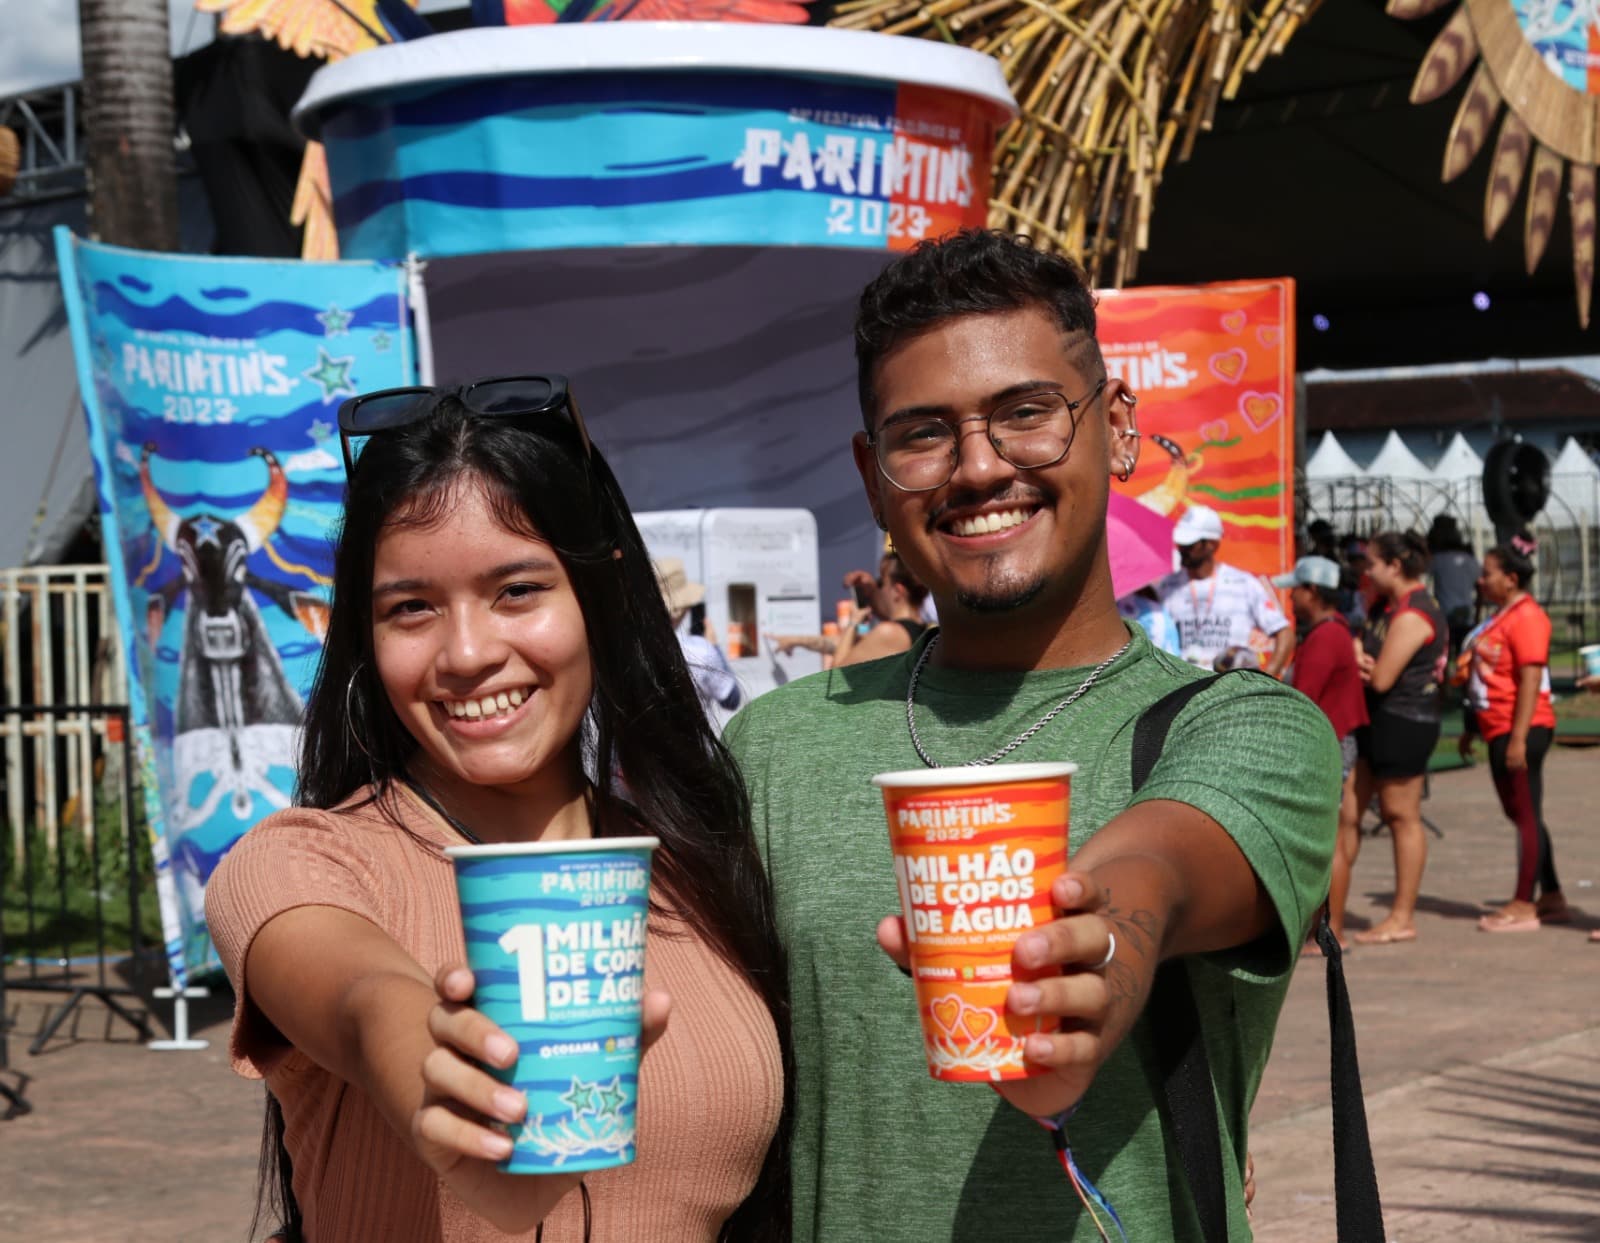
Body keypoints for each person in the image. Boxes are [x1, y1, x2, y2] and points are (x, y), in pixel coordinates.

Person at [723, 230, 1339, 1240]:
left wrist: (1092, 950)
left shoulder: (1248, 728)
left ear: (1117, 428)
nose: (977, 467)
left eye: (1025, 414)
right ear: (873, 476)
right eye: (923, 434)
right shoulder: (773, 748)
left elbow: (1160, 868)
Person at [205, 380, 791, 1242]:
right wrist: (448, 1088)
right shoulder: (302, 863)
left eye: (517, 590)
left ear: (599, 592)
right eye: (411, 607)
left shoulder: (698, 865)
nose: (468, 653)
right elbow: (365, 1000)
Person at [1458, 535, 1567, 932]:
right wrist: (1474, 728)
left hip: (1522, 727)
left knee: (1525, 815)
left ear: (1511, 578)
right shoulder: (1502, 615)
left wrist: (1519, 738)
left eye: (1488, 574)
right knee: (1523, 813)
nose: (1481, 581)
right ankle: (1551, 894)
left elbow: (1530, 678)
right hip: (1497, 726)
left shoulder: (1527, 618)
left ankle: (1524, 903)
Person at [1347, 529, 1448, 946]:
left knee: (1400, 815)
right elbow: (1361, 649)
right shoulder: (1384, 606)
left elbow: (1382, 677)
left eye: (1372, 563)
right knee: (1348, 812)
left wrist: (1364, 663)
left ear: (1395, 565)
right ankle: (1328, 910)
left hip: (1405, 722)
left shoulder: (1413, 614)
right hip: (1378, 720)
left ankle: (1402, 916)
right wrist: (1358, 656)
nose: (1366, 571)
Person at [1274, 555, 1369, 949]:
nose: (1291, 597)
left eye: (1296, 590)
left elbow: (1303, 699)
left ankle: (1332, 930)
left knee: (1328, 843)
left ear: (1312, 591)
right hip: (1333, 741)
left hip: (1326, 744)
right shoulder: (1331, 631)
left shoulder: (1326, 637)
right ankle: (1326, 927)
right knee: (1333, 838)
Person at [1157, 504, 1294, 675]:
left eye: (1190, 544)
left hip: (1229, 685)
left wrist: (1269, 676)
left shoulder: (1243, 584)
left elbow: (1285, 633)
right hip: (1182, 683)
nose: (1182, 549)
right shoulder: (1167, 586)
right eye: (1181, 543)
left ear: (1212, 544)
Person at [654, 555, 742, 713]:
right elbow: (732, 699)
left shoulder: (624, 648)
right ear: (681, 610)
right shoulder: (701, 651)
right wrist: (715, 647)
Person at [833, 553, 931, 667]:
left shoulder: (890, 633)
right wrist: (871, 593)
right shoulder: (920, 631)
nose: (879, 590)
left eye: (881, 583)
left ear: (897, 591)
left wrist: (853, 622)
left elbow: (834, 674)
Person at [1426, 514, 1480, 661]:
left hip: (1444, 617)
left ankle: (1448, 676)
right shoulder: (1469, 559)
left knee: (1443, 658)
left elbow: (1421, 573)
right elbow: (1480, 586)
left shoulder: (1437, 560)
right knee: (1464, 658)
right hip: (1466, 616)